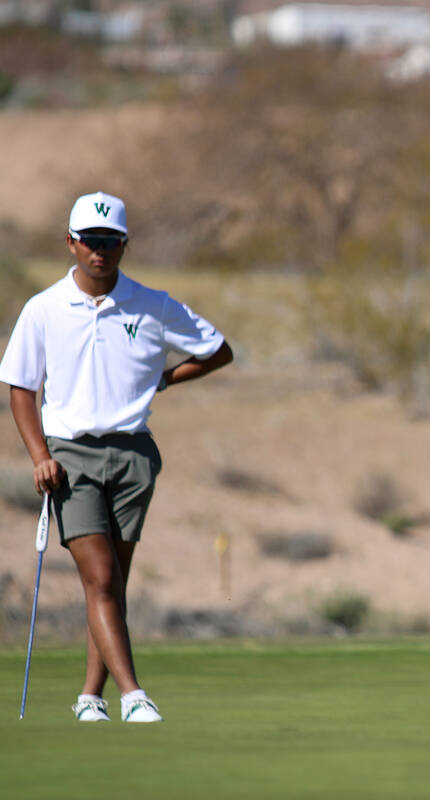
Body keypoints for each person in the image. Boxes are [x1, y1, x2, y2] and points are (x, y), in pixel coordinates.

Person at [0, 191, 233, 723]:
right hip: (69, 457)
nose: (99, 252)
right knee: (101, 577)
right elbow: (19, 387)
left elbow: (218, 351)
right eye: (89, 242)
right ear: (71, 243)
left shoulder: (152, 305)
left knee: (109, 586)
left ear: (124, 245)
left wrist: (166, 382)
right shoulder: (43, 309)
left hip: (133, 455)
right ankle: (133, 695)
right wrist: (39, 454)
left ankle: (89, 697)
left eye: (110, 242)